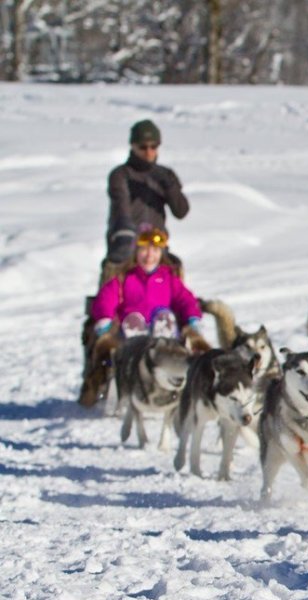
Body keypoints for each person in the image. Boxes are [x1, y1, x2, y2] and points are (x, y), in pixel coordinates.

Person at [78, 226, 209, 407]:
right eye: (144, 250)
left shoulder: (168, 277)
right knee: (134, 319)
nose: (149, 256)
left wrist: (193, 317)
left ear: (160, 253)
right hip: (131, 334)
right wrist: (104, 318)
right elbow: (106, 298)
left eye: (154, 250)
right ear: (136, 252)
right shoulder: (125, 278)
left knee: (164, 317)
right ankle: (136, 365)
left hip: (163, 333)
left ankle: (166, 361)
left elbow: (185, 299)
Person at [103, 119, 189, 283]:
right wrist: (126, 237)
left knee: (174, 273)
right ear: (133, 146)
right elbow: (121, 207)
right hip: (127, 248)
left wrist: (169, 186)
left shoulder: (165, 175)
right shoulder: (120, 175)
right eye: (143, 147)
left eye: (153, 146)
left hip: (156, 249)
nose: (148, 152)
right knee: (115, 291)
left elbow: (181, 211)